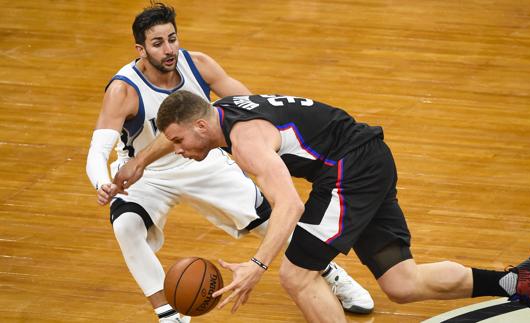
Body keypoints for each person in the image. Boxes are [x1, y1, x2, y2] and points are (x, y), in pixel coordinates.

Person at [153, 91, 530, 323]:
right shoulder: (225, 106)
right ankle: (521, 281)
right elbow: (204, 96)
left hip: (350, 170)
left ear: (202, 126)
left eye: (178, 142)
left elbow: (290, 206)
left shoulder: (246, 143)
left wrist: (255, 267)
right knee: (402, 284)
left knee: (296, 277)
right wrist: (135, 165)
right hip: (367, 159)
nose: (179, 151)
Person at [85, 3, 373, 322]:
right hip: (147, 176)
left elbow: (252, 105)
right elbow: (97, 151)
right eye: (158, 43)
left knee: (270, 219)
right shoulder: (123, 90)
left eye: (173, 39)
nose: (169, 49)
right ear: (140, 49)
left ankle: (330, 272)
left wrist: (261, 143)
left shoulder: (199, 66)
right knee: (126, 226)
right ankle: (169, 314)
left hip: (203, 160)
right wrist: (102, 182)